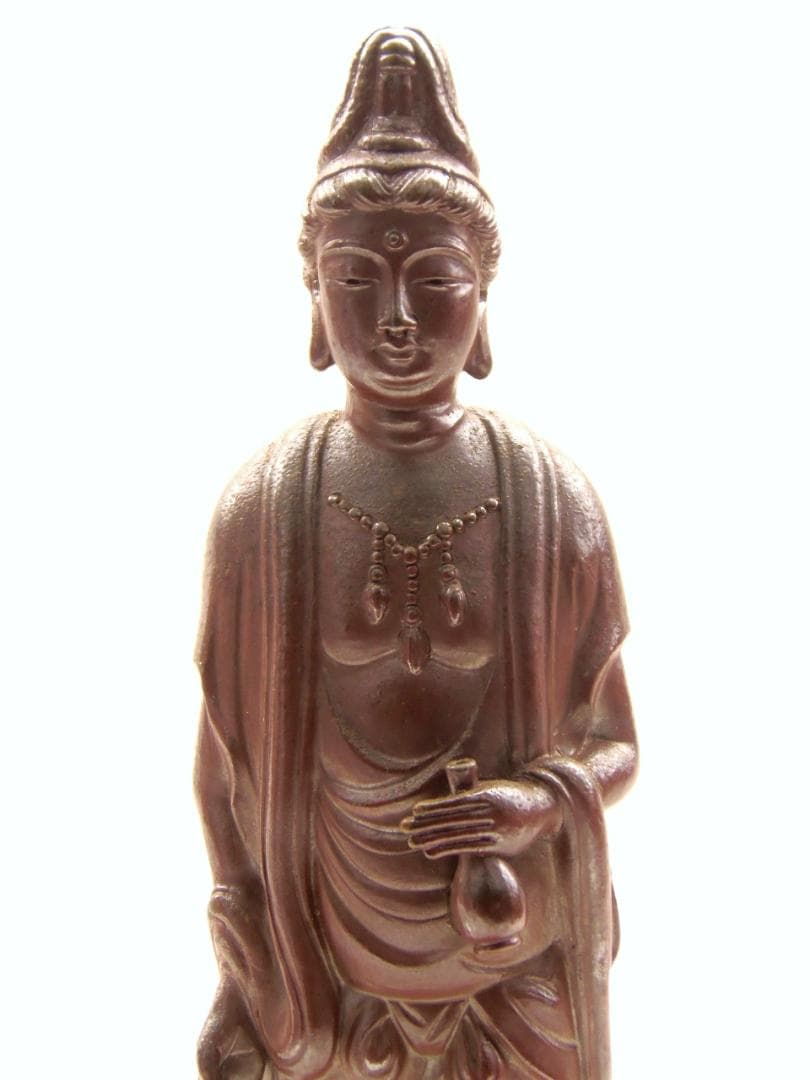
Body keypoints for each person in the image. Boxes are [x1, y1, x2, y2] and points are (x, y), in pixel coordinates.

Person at [195, 28, 637, 1080]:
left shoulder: (554, 504)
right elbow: (223, 768)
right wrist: (243, 946)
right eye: (355, 277)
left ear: (483, 305)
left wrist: (539, 803)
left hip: (509, 939)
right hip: (324, 954)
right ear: (314, 303)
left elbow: (616, 744)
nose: (395, 319)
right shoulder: (262, 512)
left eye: (434, 279)